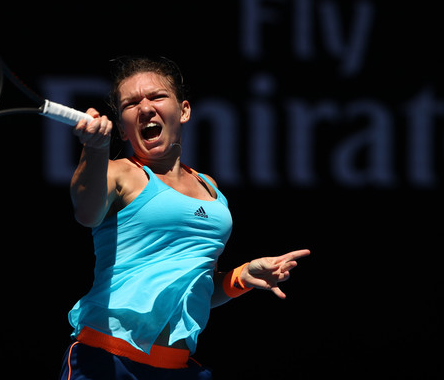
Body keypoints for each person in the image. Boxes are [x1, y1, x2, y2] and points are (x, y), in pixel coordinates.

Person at [59, 56, 310, 380]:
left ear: (184, 110)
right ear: (122, 126)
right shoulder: (119, 172)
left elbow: (199, 285)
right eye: (131, 103)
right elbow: (86, 212)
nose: (145, 107)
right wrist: (94, 151)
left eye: (157, 97)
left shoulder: (211, 187)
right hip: (106, 362)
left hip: (178, 368)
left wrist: (242, 276)